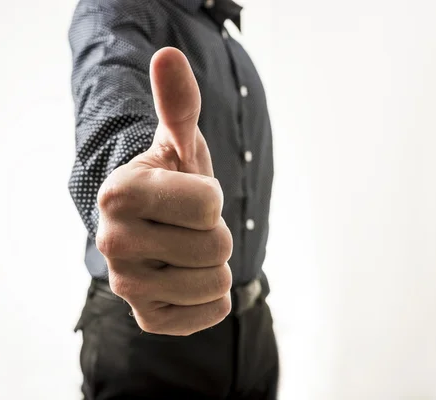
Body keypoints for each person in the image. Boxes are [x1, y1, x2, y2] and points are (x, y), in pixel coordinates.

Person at [68, 0, 278, 398]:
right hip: (150, 342)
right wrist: (134, 181)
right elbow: (111, 110)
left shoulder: (230, 41)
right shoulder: (118, 7)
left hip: (253, 333)